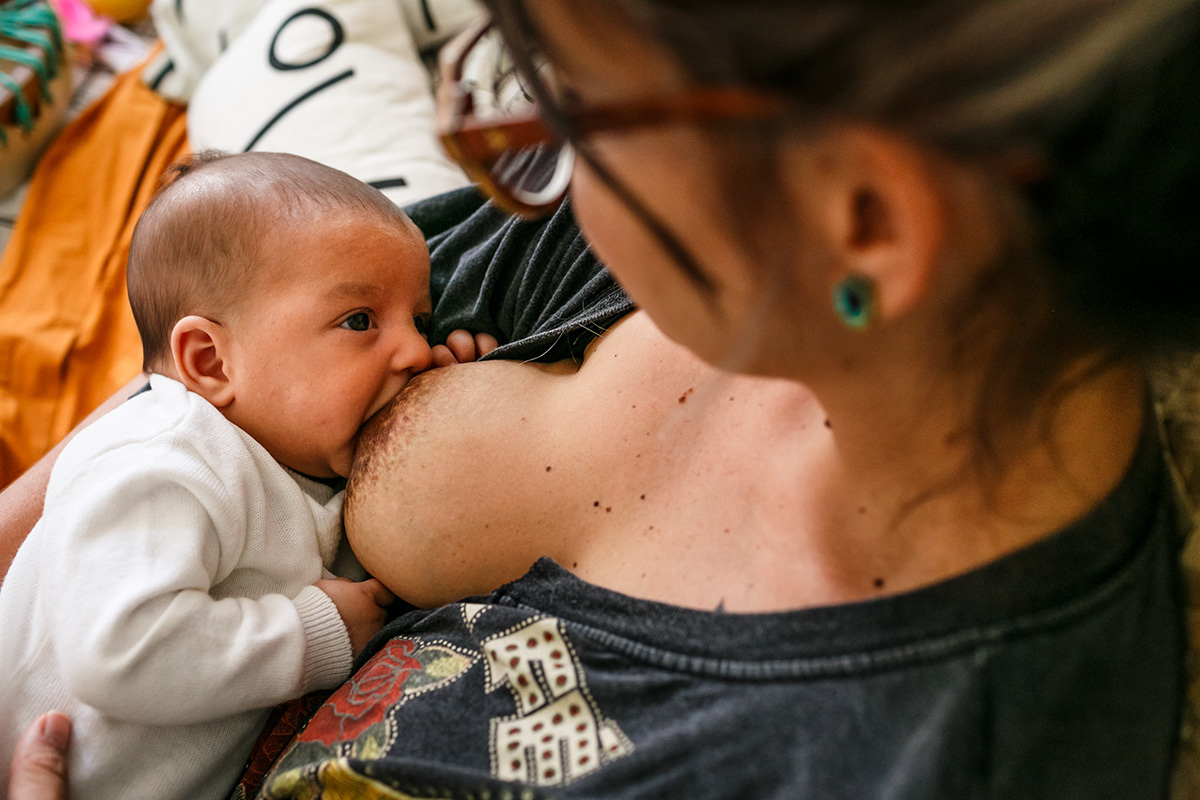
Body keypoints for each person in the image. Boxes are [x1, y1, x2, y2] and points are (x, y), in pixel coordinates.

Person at [7, 0, 1200, 797]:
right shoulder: (730, 254)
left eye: (572, 103)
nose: (537, 172)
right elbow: (211, 384)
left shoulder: (888, 759)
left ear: (863, 221)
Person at [0, 150, 490, 800]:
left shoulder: (299, 465)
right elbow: (118, 649)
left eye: (420, 322)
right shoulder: (165, 455)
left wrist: (457, 402)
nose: (415, 350)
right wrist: (315, 634)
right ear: (210, 361)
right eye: (360, 321)